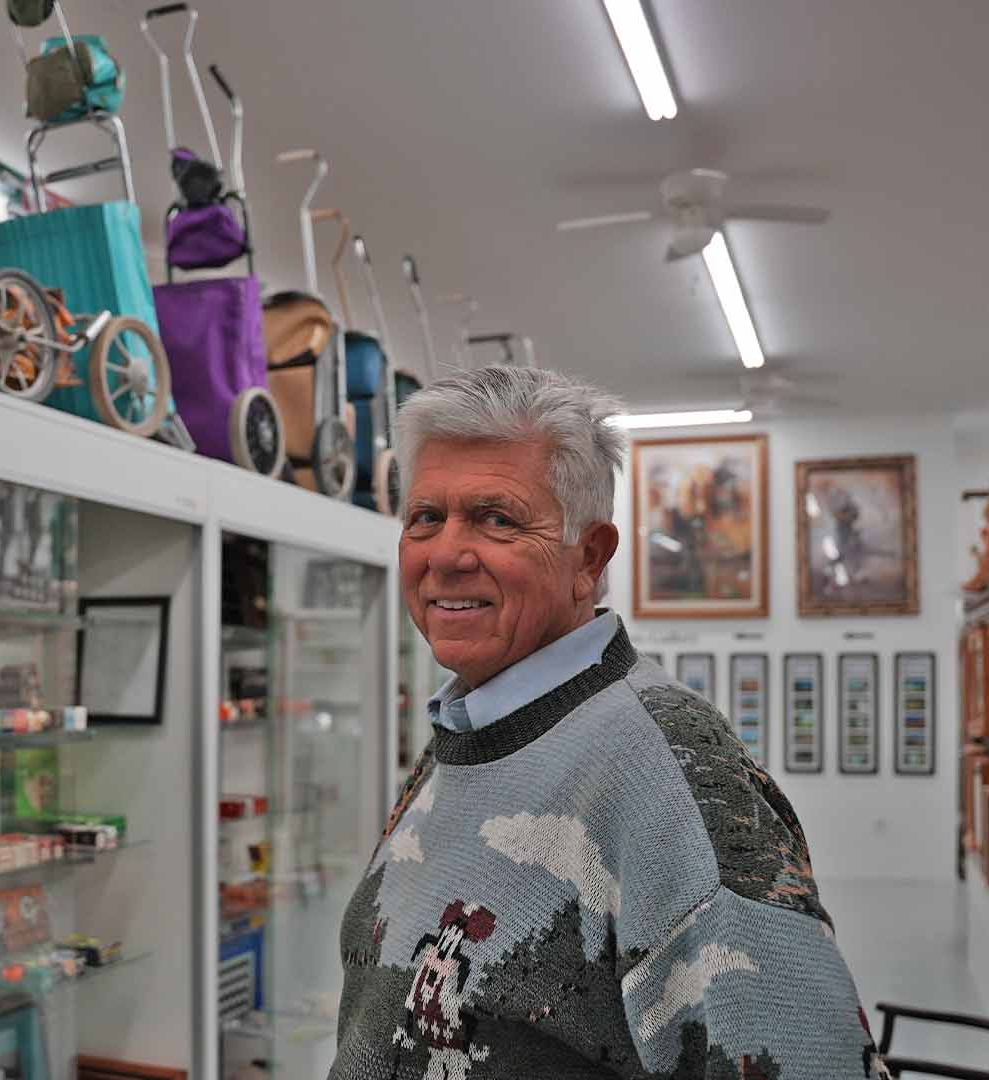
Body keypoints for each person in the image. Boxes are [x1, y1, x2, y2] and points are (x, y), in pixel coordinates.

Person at [329, 366, 890, 1080]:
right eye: (425, 518)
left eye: (496, 518)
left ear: (588, 559)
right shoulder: (465, 729)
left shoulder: (675, 770)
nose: (446, 553)